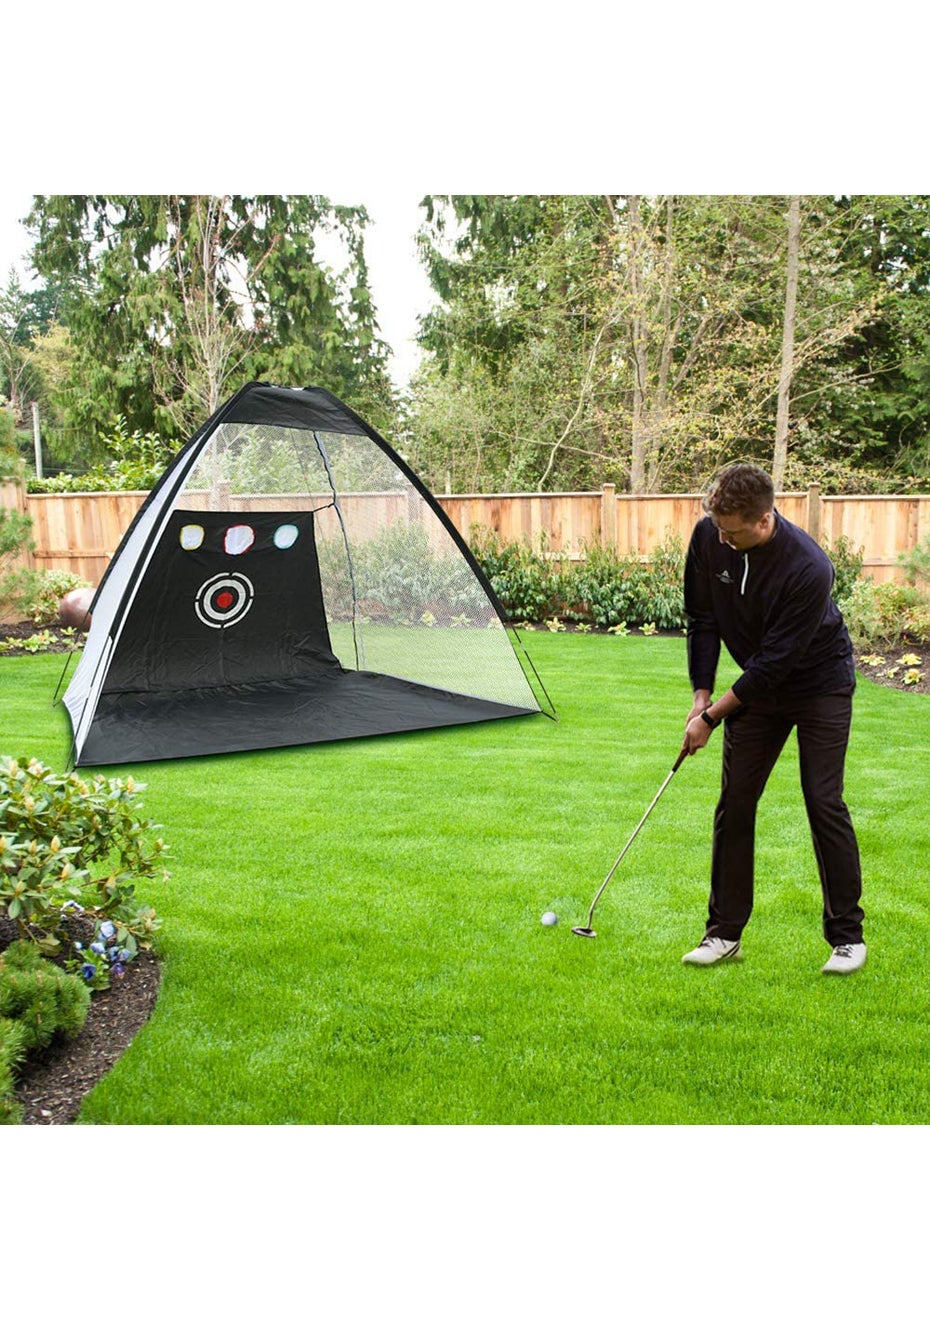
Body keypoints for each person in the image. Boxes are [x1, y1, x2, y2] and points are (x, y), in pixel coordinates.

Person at [680, 462, 866, 974]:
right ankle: (723, 933)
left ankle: (847, 938)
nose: (722, 538)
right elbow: (703, 618)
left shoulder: (809, 567)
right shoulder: (710, 535)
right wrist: (700, 696)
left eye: (732, 532)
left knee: (823, 800)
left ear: (764, 520)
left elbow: (774, 665)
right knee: (736, 802)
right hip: (758, 688)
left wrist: (712, 718)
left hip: (820, 684)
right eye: (718, 527)